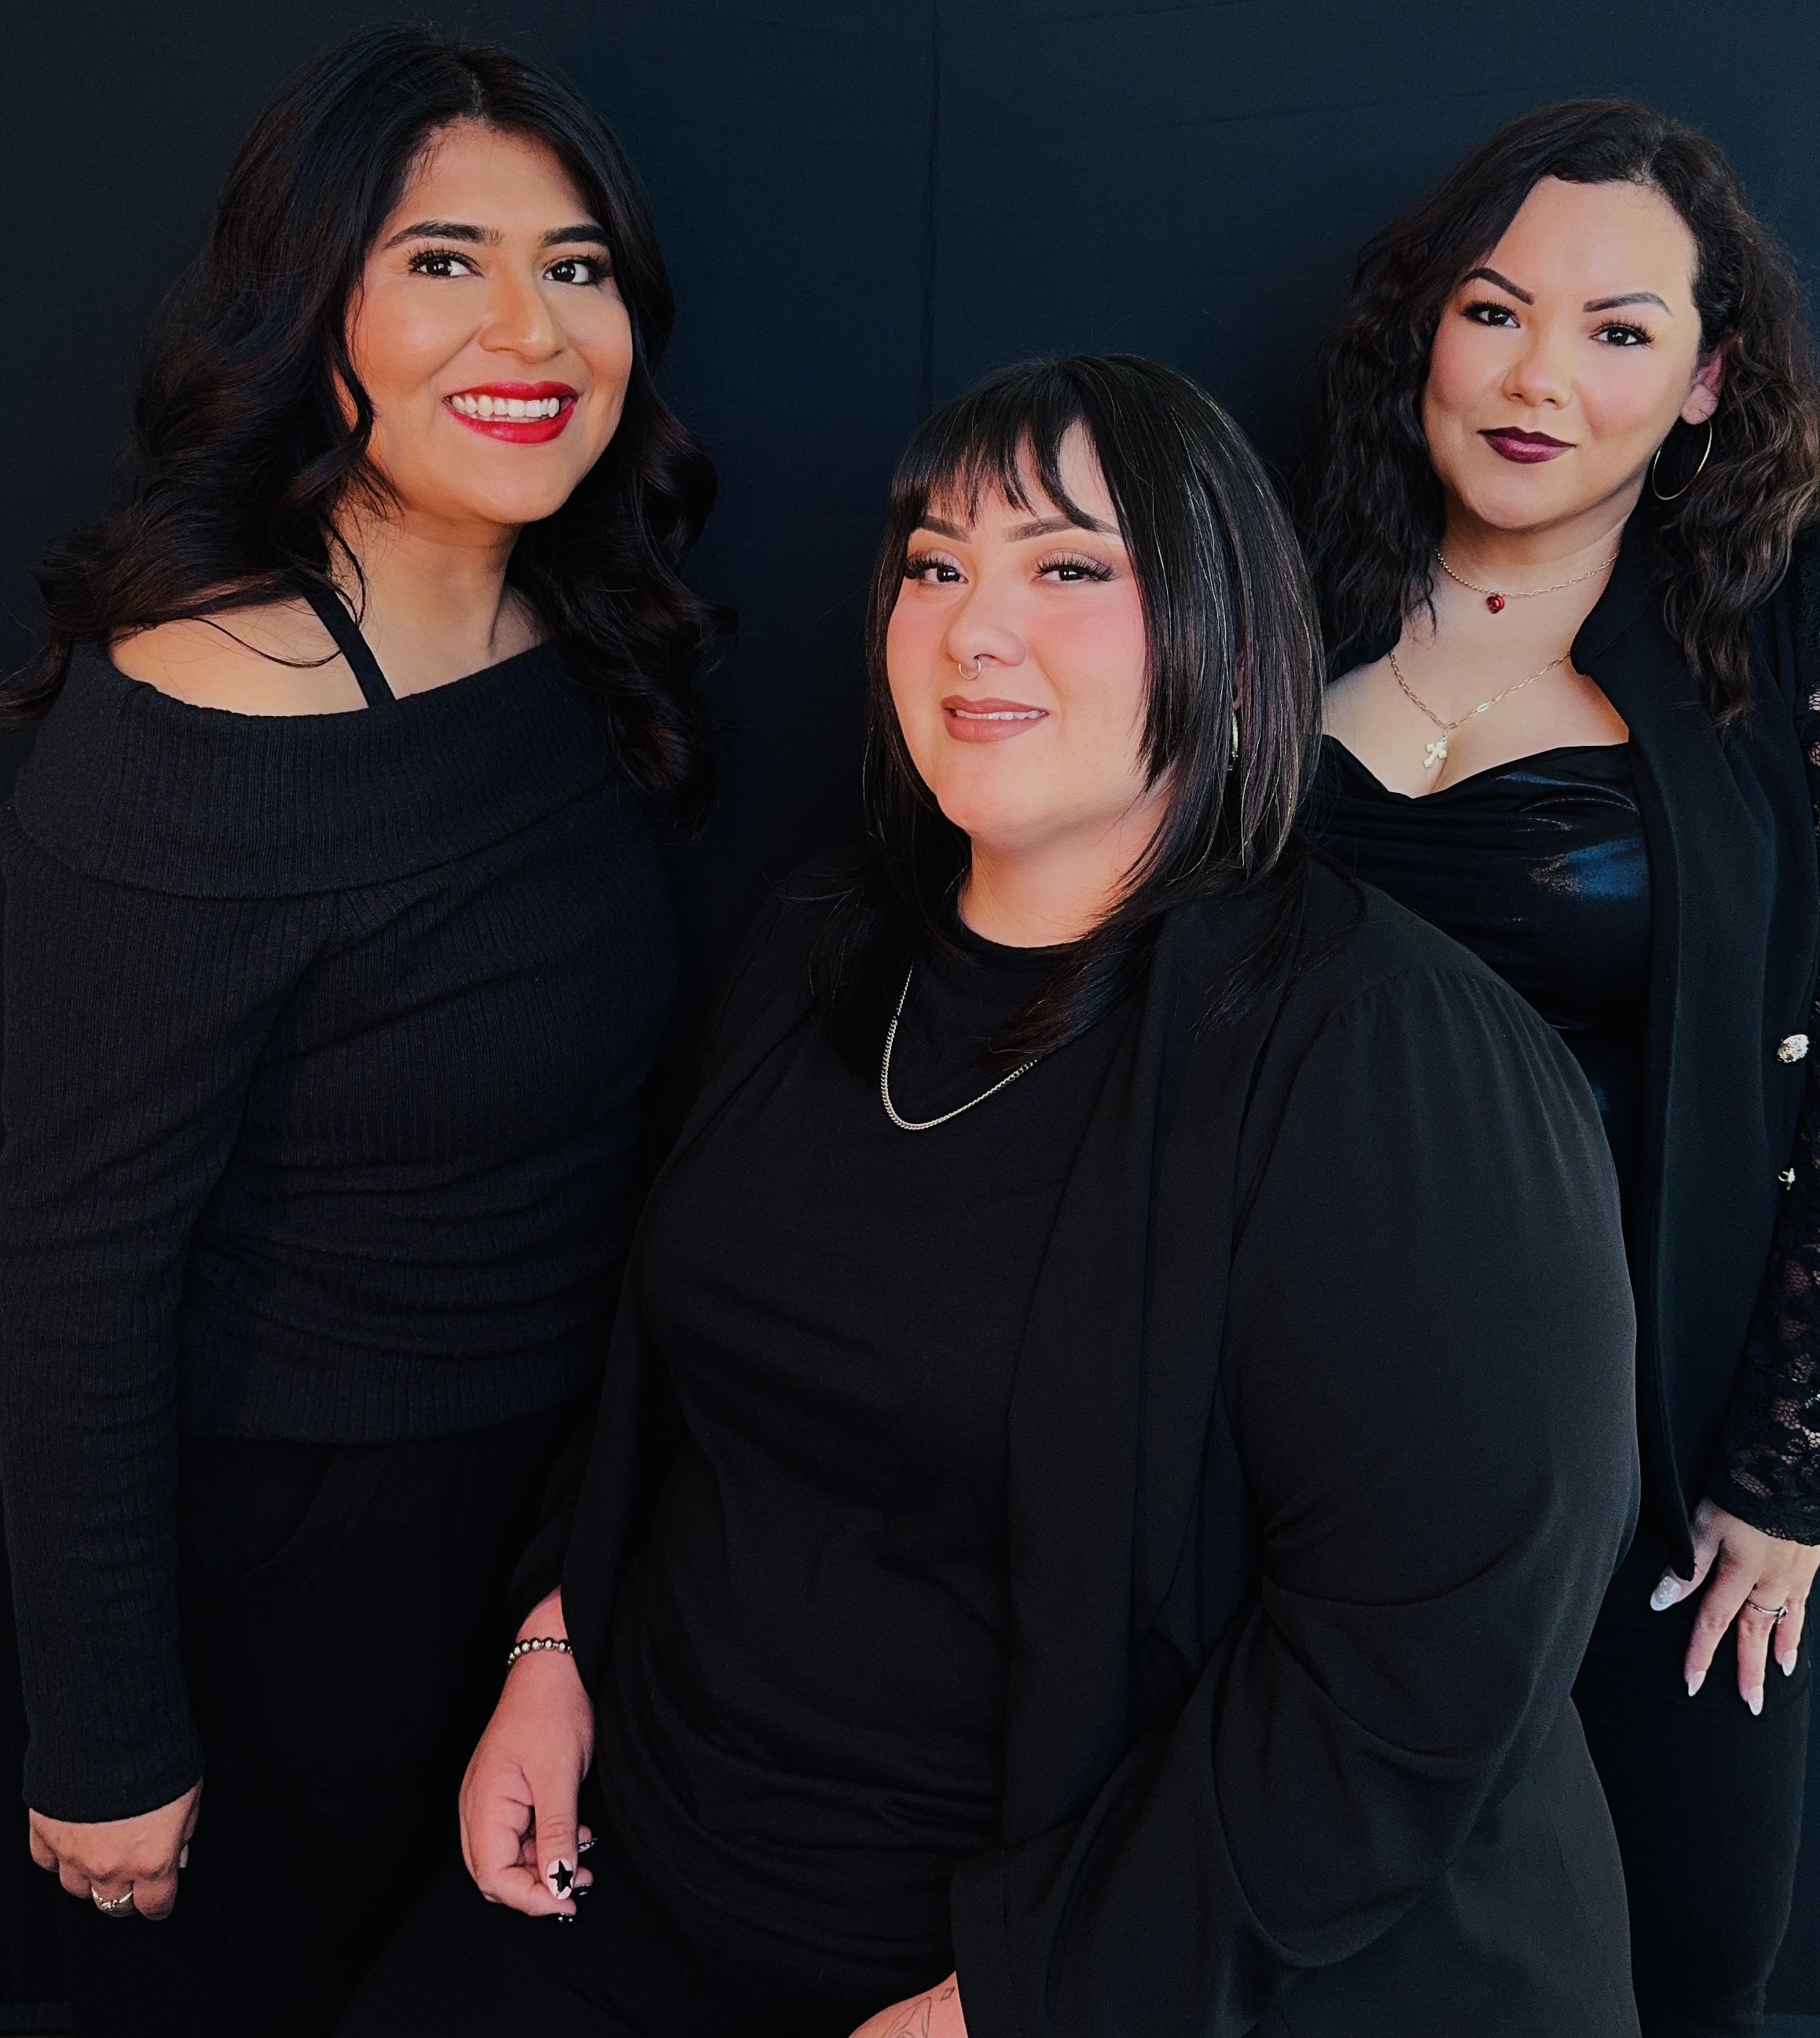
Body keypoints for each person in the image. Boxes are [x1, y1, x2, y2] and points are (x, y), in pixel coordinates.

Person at [346, 354, 1643, 2038]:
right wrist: (556, 1639)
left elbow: (1426, 1666)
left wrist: (1022, 2001)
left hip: (1077, 1959)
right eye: (936, 564)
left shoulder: (1390, 1062)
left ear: (1235, 639)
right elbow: (665, 1382)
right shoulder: (819, 942)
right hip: (643, 1870)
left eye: (1069, 565)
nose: (975, 627)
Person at [0, 26, 724, 2036]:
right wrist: (105, 1733)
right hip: (293, 1581)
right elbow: (68, 1274)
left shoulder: (568, 629)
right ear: (307, 303)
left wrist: (582, 1568)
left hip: (550, 1534)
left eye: (576, 266)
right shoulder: (199, 722)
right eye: (443, 260)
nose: (531, 328)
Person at [1303, 99, 1820, 2038]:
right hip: (1292, 1450)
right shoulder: (1270, 601)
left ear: (1706, 383)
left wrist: (1789, 1461)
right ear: (1422, 331)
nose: (1538, 380)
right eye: (1495, 310)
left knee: (1671, 1967)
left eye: (1618, 331)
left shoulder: (1772, 654)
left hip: (1642, 1476)